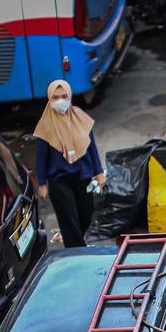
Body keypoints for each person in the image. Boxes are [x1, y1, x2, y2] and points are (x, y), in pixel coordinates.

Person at [33, 79, 105, 248]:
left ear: (70, 96)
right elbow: (41, 157)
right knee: (69, 219)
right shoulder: (45, 125)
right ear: (49, 99)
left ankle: (73, 240)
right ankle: (77, 251)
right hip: (60, 180)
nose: (60, 101)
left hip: (82, 175)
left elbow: (91, 146)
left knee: (85, 214)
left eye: (64, 96)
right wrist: (42, 183)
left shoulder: (80, 118)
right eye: (55, 97)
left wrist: (99, 172)